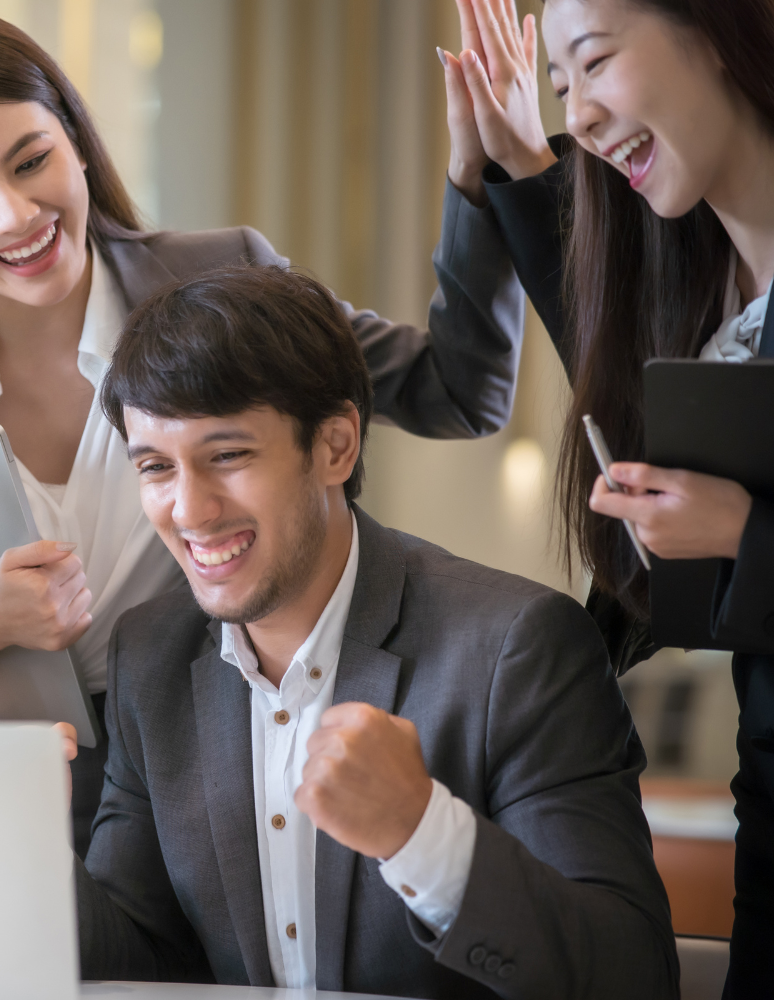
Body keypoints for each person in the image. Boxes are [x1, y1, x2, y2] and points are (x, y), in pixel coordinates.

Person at [0, 5, 532, 854]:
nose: (13, 216)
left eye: (31, 161)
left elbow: (458, 389)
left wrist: (486, 180)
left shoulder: (221, 276)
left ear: (75, 138)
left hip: (225, 773)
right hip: (13, 800)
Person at [74, 264, 676, 997]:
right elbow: (134, 961)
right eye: (155, 467)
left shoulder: (518, 648)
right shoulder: (150, 656)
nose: (190, 510)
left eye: (227, 456)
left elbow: (633, 978)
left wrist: (421, 833)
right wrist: (20, 835)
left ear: (336, 446)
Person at [440, 1, 774, 993]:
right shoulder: (700, 285)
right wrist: (511, 161)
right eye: (559, 90)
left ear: (719, 32)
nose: (581, 116)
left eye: (593, 64)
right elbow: (610, 338)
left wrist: (740, 533)